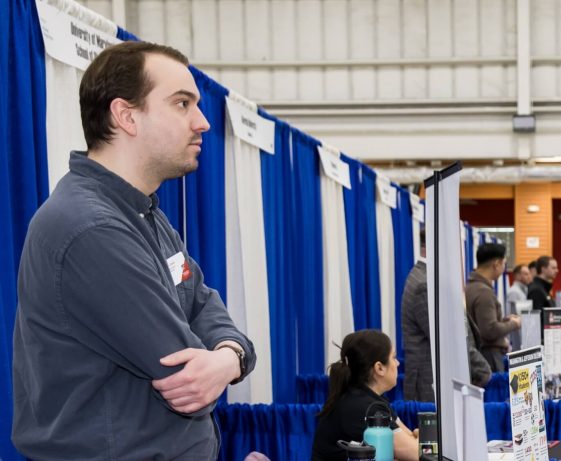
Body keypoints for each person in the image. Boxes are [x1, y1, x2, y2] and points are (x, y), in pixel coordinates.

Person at [11, 42, 256, 459]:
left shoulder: (145, 215)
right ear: (125, 116)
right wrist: (221, 363)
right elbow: (183, 373)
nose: (203, 122)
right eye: (182, 104)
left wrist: (229, 357)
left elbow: (203, 303)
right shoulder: (91, 228)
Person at [400, 235, 491, 402]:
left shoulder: (428, 277)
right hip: (429, 383)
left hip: (438, 378)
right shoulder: (425, 284)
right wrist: (481, 367)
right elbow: (445, 338)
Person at [312, 330, 420, 461]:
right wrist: (417, 441)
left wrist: (414, 442)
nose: (398, 363)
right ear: (379, 368)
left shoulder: (374, 400)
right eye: (394, 357)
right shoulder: (363, 407)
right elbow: (416, 454)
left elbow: (410, 440)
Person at [467, 243, 521, 372]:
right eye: (504, 264)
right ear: (496, 264)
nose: (504, 268)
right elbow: (489, 331)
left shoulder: (471, 287)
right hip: (489, 357)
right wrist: (514, 324)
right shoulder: (484, 292)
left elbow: (482, 324)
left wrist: (504, 321)